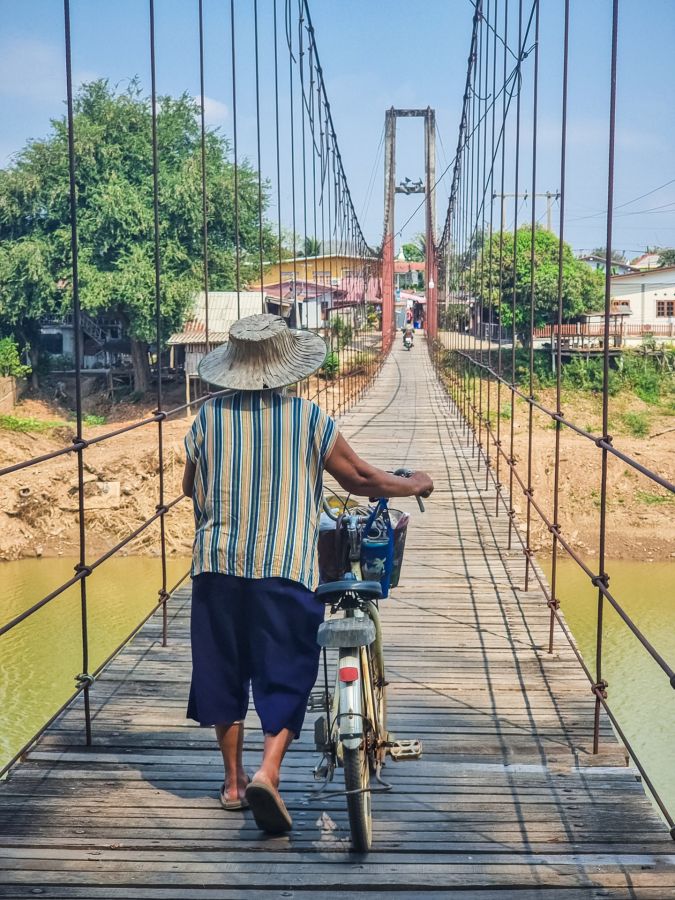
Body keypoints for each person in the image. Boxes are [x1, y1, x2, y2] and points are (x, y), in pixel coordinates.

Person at [182, 313, 433, 835]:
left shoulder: (206, 419)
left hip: (216, 567)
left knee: (222, 672)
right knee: (287, 670)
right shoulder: (308, 419)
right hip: (284, 567)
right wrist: (417, 484)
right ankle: (267, 774)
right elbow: (362, 480)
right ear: (286, 368)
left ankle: (231, 784)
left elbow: (190, 487)